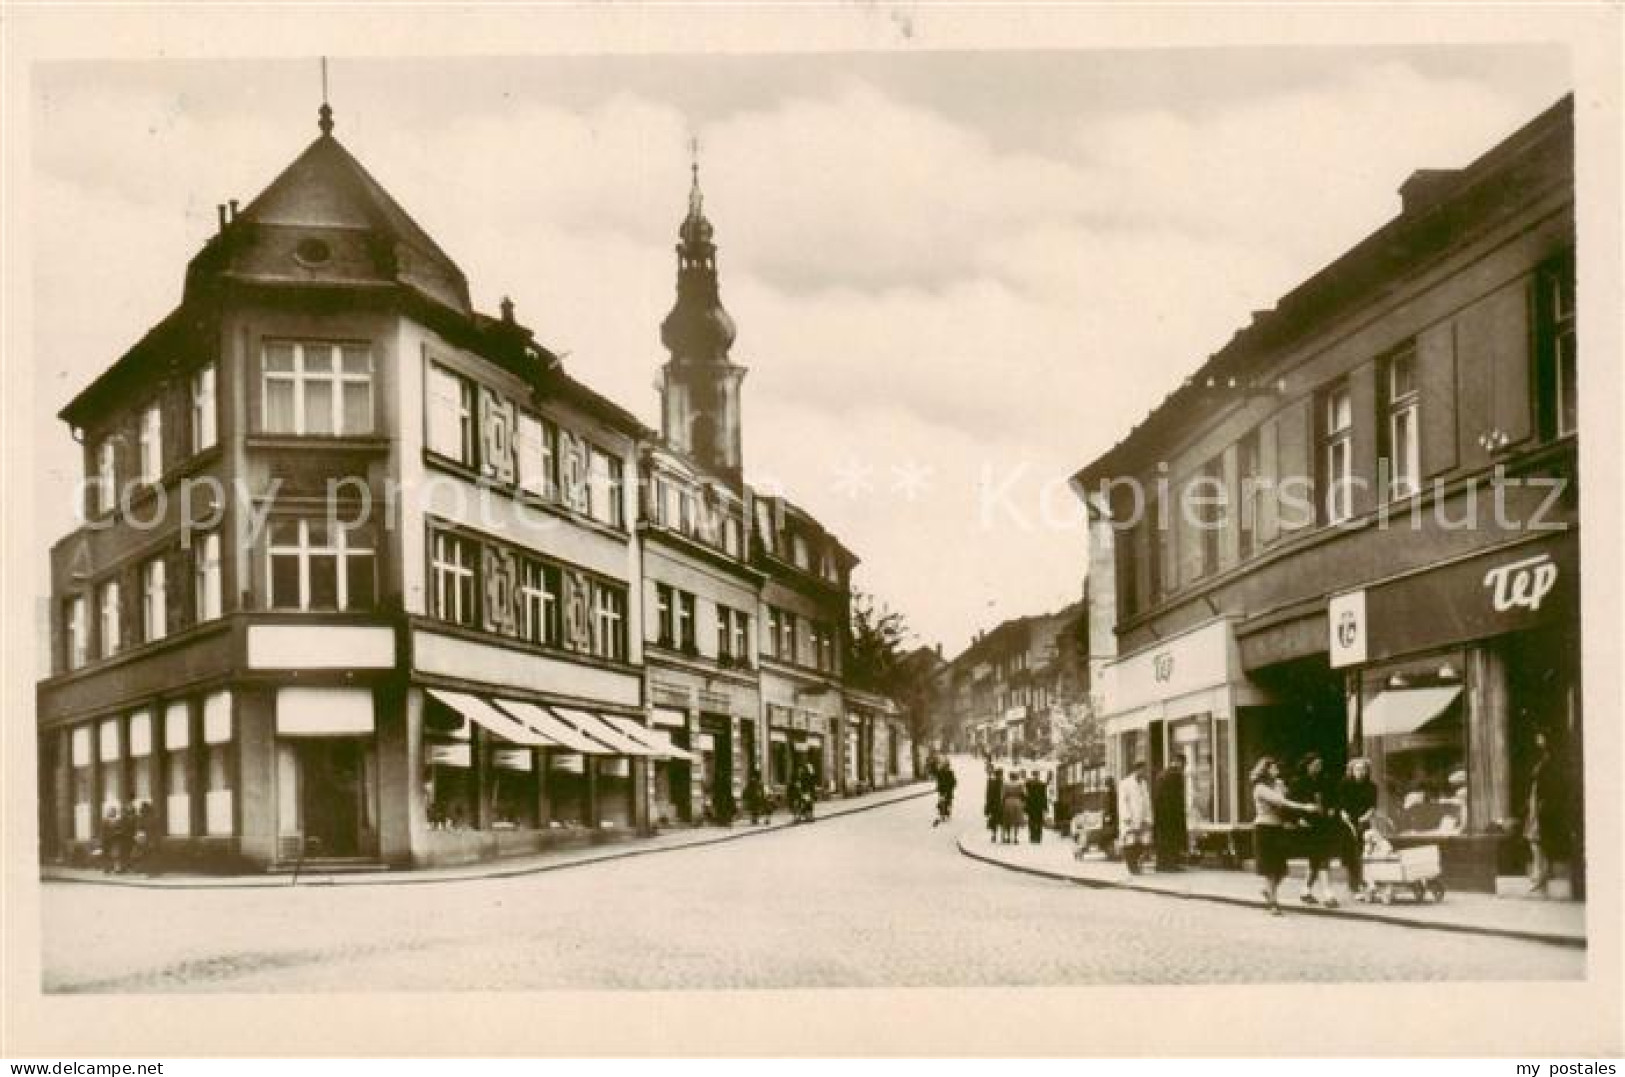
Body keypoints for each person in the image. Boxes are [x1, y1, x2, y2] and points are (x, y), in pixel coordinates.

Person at [1252, 756, 1320, 916]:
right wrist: (1305, 807)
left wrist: (1296, 819)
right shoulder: (1259, 787)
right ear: (1266, 770)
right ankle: (1273, 903)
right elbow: (1281, 802)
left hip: (1278, 828)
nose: (1277, 771)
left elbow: (1290, 801)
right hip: (1264, 829)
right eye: (1274, 768)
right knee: (1270, 868)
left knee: (1281, 869)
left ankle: (1267, 891)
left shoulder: (1278, 784)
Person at [1290, 752, 1339, 907]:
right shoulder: (1297, 782)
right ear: (1307, 765)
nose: (1319, 768)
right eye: (1316, 765)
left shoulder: (1325, 781)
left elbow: (1333, 798)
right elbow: (1291, 804)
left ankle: (1305, 891)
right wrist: (1298, 819)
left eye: (1320, 765)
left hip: (1323, 824)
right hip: (1308, 825)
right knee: (1320, 858)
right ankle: (1327, 894)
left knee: (1317, 859)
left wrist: (1332, 809)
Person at [1526, 731, 1568, 896]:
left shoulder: (1550, 761)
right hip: (1536, 803)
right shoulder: (1542, 759)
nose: (1537, 739)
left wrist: (1542, 803)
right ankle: (1541, 874)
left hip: (1543, 804)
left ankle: (1540, 876)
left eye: (1540, 736)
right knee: (1536, 841)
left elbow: (1551, 785)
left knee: (1537, 840)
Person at [1337, 757, 1378, 901]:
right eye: (1357, 769)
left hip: (1363, 821)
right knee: (1351, 854)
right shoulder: (1345, 784)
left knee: (1364, 852)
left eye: (1363, 769)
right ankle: (1354, 886)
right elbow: (1340, 804)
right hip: (1348, 822)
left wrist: (1365, 817)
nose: (1361, 772)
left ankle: (1364, 883)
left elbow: (1372, 806)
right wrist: (1344, 814)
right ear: (1352, 770)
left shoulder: (1371, 786)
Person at [1152, 755, 1188, 872]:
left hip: (1161, 814)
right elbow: (1177, 798)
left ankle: (1161, 864)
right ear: (1180, 763)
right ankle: (1170, 864)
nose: (1183, 768)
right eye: (1183, 764)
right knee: (1172, 839)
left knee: (1163, 839)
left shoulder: (1162, 774)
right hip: (1172, 814)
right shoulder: (1175, 775)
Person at [1116, 760, 1154, 874]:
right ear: (1136, 769)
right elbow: (1123, 802)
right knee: (1130, 843)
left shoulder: (1143, 784)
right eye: (1142, 769)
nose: (1144, 772)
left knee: (1141, 843)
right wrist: (1126, 817)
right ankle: (1132, 867)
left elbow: (1147, 802)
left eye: (1144, 770)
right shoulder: (1125, 783)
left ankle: (1136, 864)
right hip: (1130, 818)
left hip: (1141, 819)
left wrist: (1148, 818)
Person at [1023, 770, 1048, 844]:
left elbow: (1026, 785)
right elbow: (1044, 796)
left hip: (1031, 805)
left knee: (1032, 821)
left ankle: (1032, 837)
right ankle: (1038, 838)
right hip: (1038, 805)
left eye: (1035, 775)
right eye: (1035, 775)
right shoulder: (1041, 784)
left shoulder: (1029, 784)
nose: (1035, 777)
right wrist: (1045, 806)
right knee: (1038, 821)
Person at [1000, 777, 1025, 844]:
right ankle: (1015, 838)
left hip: (1008, 802)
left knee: (1008, 820)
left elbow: (1003, 795)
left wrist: (1002, 802)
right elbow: (1023, 794)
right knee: (1016, 821)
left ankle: (1008, 837)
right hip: (1017, 802)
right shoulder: (1020, 784)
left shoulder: (1006, 784)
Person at [933, 761, 958, 827]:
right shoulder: (940, 772)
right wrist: (938, 787)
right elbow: (938, 780)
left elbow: (954, 782)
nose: (947, 767)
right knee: (942, 803)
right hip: (942, 791)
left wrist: (951, 786)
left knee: (948, 803)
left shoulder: (950, 773)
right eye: (946, 766)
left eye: (948, 766)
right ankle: (942, 814)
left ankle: (947, 814)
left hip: (949, 791)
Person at [984, 768, 1005, 842]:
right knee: (999, 820)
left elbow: (988, 795)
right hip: (999, 805)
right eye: (1000, 774)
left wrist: (987, 806)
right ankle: (996, 835)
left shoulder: (992, 782)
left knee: (996, 820)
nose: (1000, 776)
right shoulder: (1001, 783)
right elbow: (989, 795)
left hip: (995, 804)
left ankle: (995, 835)